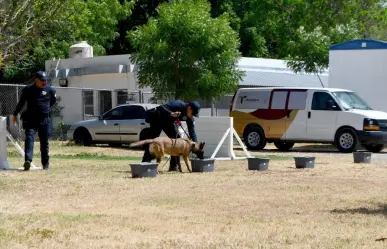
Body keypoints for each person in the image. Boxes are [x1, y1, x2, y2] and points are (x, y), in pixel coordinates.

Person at [12, 71, 57, 171]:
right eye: (42, 80)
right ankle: (28, 160)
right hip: (31, 119)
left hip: (44, 119)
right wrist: (15, 114)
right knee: (29, 138)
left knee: (44, 142)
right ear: (36, 80)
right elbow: (21, 102)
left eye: (45, 80)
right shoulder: (28, 89)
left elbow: (53, 101)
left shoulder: (50, 90)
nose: (44, 82)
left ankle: (45, 164)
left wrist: (47, 108)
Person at [142, 100, 200, 171]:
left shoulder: (190, 118)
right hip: (158, 118)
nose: (192, 116)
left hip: (168, 122)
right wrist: (171, 113)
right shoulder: (178, 104)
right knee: (152, 141)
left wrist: (196, 145)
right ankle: (145, 164)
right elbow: (160, 107)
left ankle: (173, 166)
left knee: (177, 142)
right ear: (189, 108)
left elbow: (192, 132)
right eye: (192, 113)